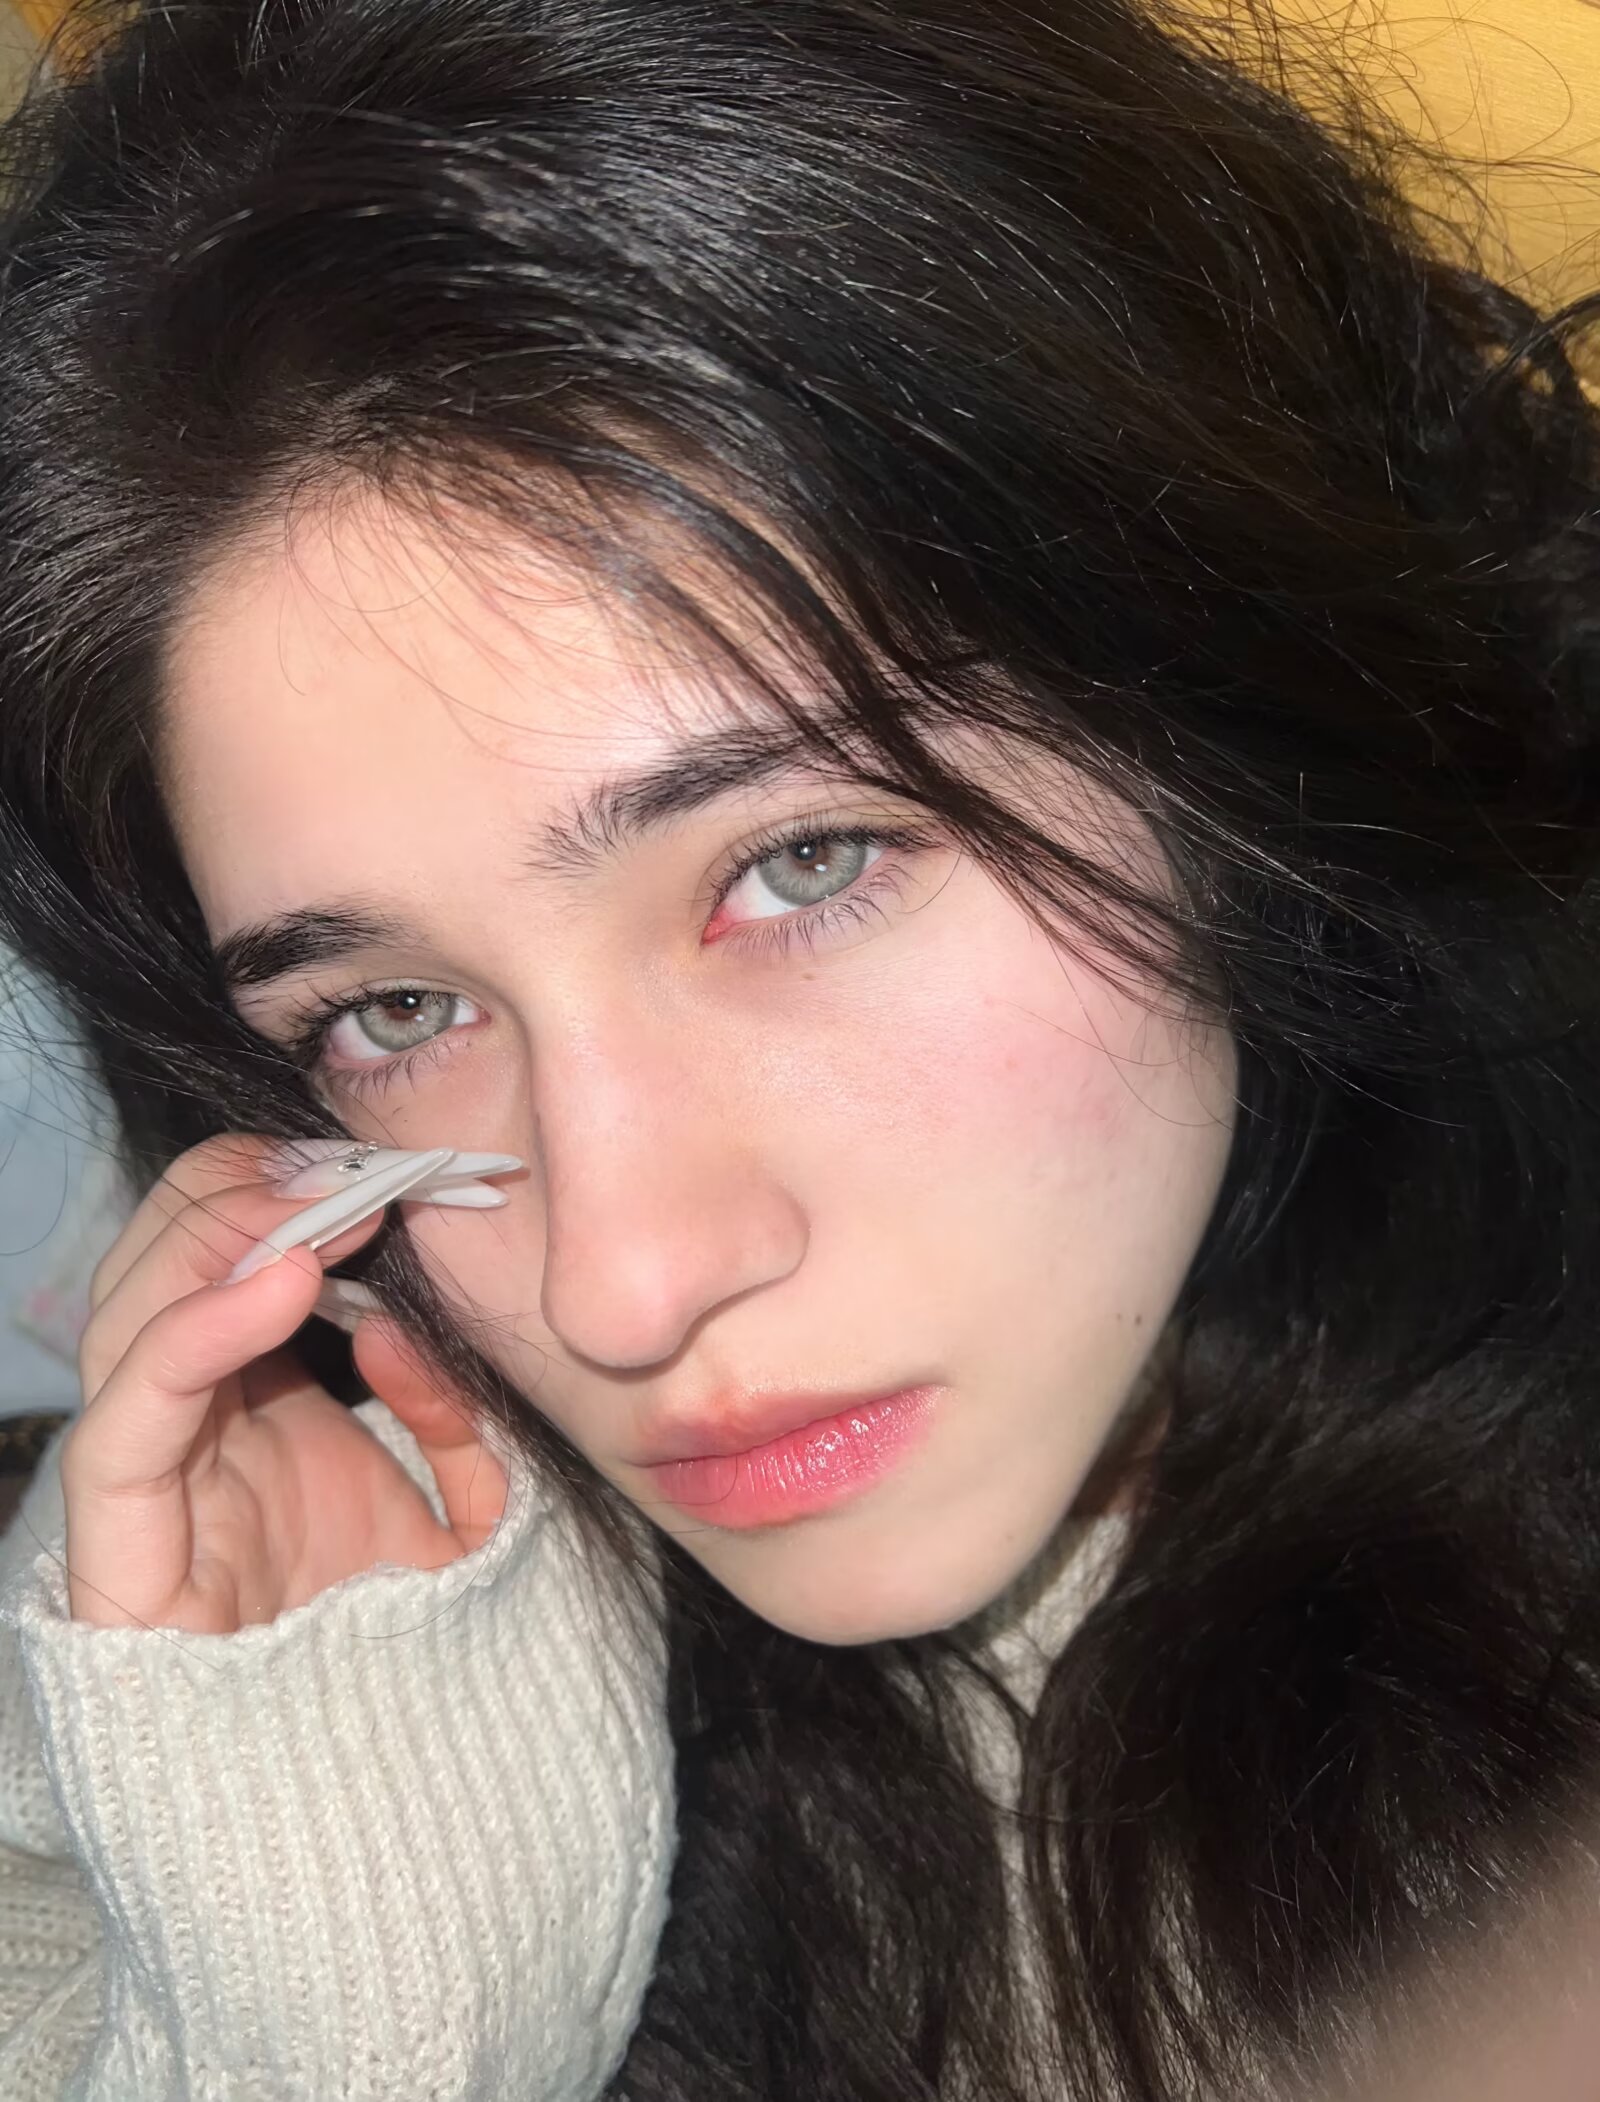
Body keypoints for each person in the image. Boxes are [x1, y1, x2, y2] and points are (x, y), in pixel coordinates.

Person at [0, 0, 1596, 2096]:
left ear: (1228, 713)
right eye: (396, 1012)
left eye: (801, 862)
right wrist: (359, 1985)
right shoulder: (183, 1655)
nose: (620, 1283)